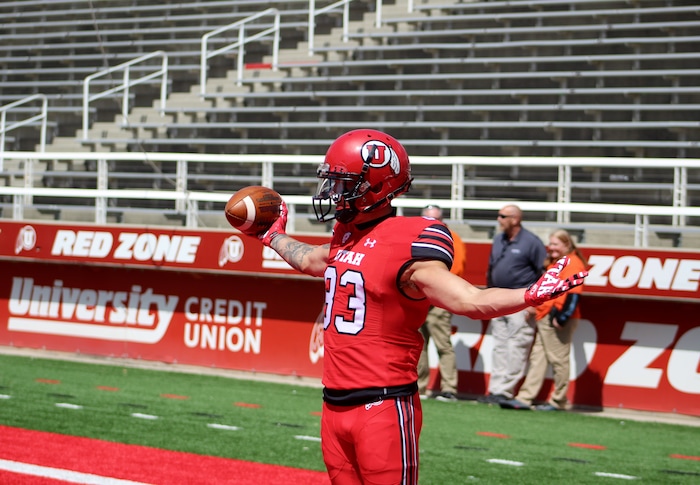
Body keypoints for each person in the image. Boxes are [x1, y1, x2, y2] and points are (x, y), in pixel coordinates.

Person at [250, 129, 586, 485]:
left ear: (377, 186)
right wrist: (272, 236)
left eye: (343, 184)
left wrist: (529, 294)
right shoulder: (346, 235)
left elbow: (468, 299)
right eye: (333, 183)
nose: (333, 194)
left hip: (382, 405)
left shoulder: (408, 238)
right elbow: (312, 260)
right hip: (332, 404)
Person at [501, 229, 587, 411]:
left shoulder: (572, 263)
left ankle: (559, 400)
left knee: (558, 359)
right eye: (551, 243)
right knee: (538, 357)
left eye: (556, 244)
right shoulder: (558, 262)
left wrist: (562, 317)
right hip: (546, 316)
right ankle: (525, 398)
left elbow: (573, 294)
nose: (552, 247)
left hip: (557, 317)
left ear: (567, 245)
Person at [479, 204, 547, 405]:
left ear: (516, 219)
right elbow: (491, 267)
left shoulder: (532, 242)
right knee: (499, 346)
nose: (499, 220)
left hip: (520, 302)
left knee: (516, 346)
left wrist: (534, 302)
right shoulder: (499, 239)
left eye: (503, 216)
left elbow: (543, 274)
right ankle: (496, 389)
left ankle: (506, 391)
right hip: (498, 299)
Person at [416, 205, 466, 402]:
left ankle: (449, 388)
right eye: (426, 219)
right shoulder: (416, 235)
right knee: (419, 346)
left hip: (439, 301)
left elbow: (456, 270)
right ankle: (419, 386)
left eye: (434, 219)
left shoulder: (453, 238)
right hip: (418, 299)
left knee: (443, 345)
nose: (430, 223)